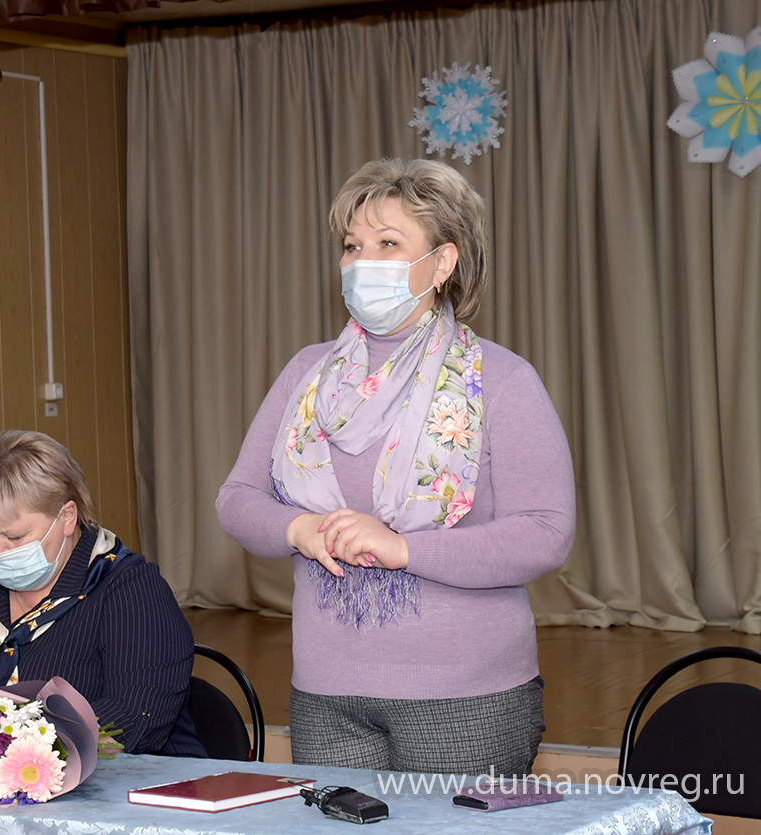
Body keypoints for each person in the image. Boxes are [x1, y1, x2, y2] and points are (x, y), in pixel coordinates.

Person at [216, 158, 576, 775]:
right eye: (352, 247)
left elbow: (546, 533)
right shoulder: (308, 373)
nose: (362, 263)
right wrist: (295, 530)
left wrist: (403, 549)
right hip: (327, 692)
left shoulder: (504, 379)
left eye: (388, 244)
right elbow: (238, 498)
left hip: (467, 697)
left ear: (442, 262)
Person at [0, 429, 206, 757]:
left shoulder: (129, 589)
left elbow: (129, 725)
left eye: (15, 537)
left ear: (66, 517)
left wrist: (4, 726)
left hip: (133, 793)